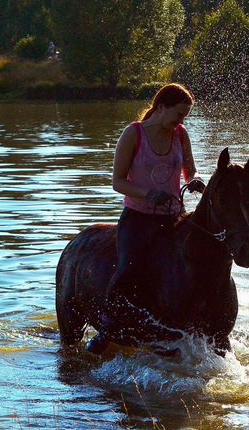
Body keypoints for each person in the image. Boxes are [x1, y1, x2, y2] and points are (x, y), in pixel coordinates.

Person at [87, 83, 206, 354]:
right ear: (161, 107)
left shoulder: (180, 134)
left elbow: (190, 170)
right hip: (138, 218)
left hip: (174, 217)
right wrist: (149, 194)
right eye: (179, 114)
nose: (182, 120)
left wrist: (196, 180)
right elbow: (117, 182)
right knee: (128, 269)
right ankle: (107, 328)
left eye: (185, 116)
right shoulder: (134, 134)